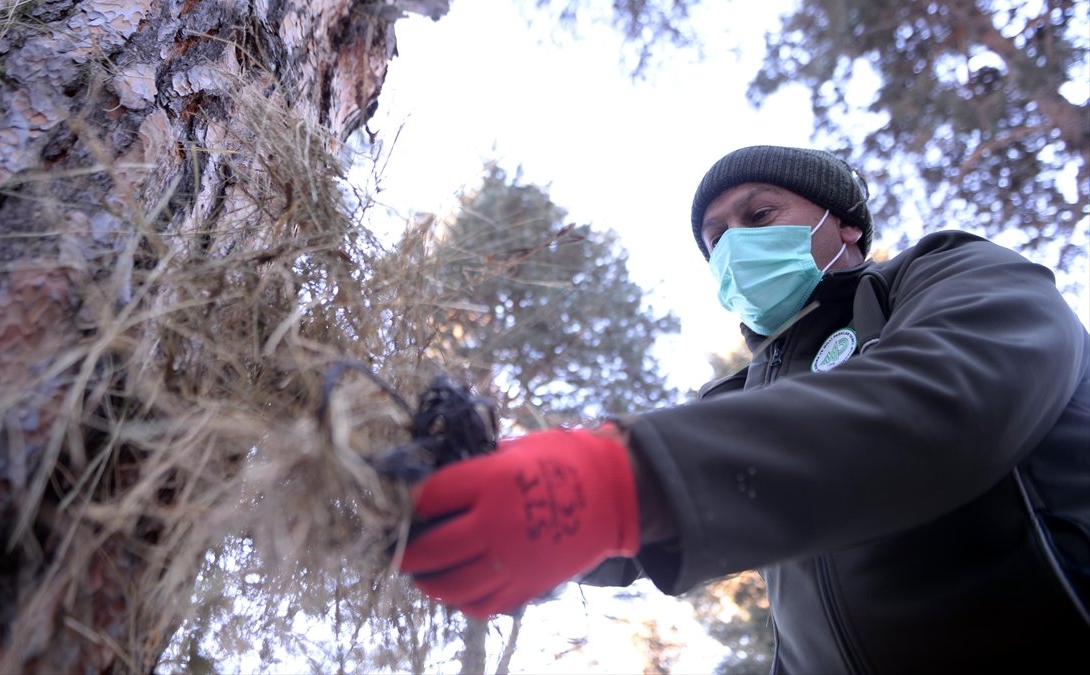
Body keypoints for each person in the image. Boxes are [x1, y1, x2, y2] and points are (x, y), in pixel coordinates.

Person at [397, 145, 1090, 671]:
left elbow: (956, 396)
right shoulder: (740, 400)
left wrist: (619, 480)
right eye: (716, 240)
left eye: (759, 216)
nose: (735, 244)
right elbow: (630, 534)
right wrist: (464, 494)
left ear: (843, 225)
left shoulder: (947, 273)